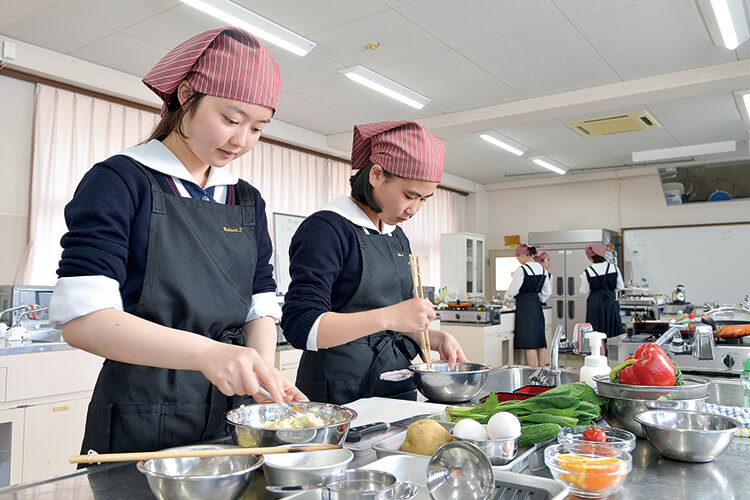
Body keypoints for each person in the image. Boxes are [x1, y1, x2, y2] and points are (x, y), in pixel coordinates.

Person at [48, 27, 305, 456]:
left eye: (258, 128)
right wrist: (209, 354)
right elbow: (83, 319)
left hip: (232, 411)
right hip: (141, 410)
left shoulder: (245, 198)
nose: (241, 141)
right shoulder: (120, 180)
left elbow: (259, 299)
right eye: (230, 119)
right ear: (186, 95)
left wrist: (260, 372)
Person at [280, 121, 469, 404]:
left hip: (397, 384)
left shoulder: (396, 236)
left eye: (424, 200)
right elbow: (302, 327)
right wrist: (392, 316)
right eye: (409, 196)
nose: (414, 209)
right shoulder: (326, 229)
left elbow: (396, 320)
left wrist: (432, 337)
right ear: (377, 175)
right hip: (339, 392)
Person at [504, 244, 552, 367]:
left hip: (525, 307)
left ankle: (532, 372)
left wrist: (507, 299)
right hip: (537, 306)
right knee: (540, 340)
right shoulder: (543, 270)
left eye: (518, 258)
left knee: (529, 342)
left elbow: (513, 290)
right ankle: (542, 370)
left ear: (522, 256)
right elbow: (547, 292)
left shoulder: (521, 270)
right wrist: (539, 298)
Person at [580, 243, 624, 341]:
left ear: (591, 257)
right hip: (611, 302)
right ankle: (613, 355)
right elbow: (620, 286)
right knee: (613, 332)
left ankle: (601, 354)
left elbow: (584, 291)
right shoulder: (614, 268)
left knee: (596, 334)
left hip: (595, 304)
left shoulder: (588, 271)